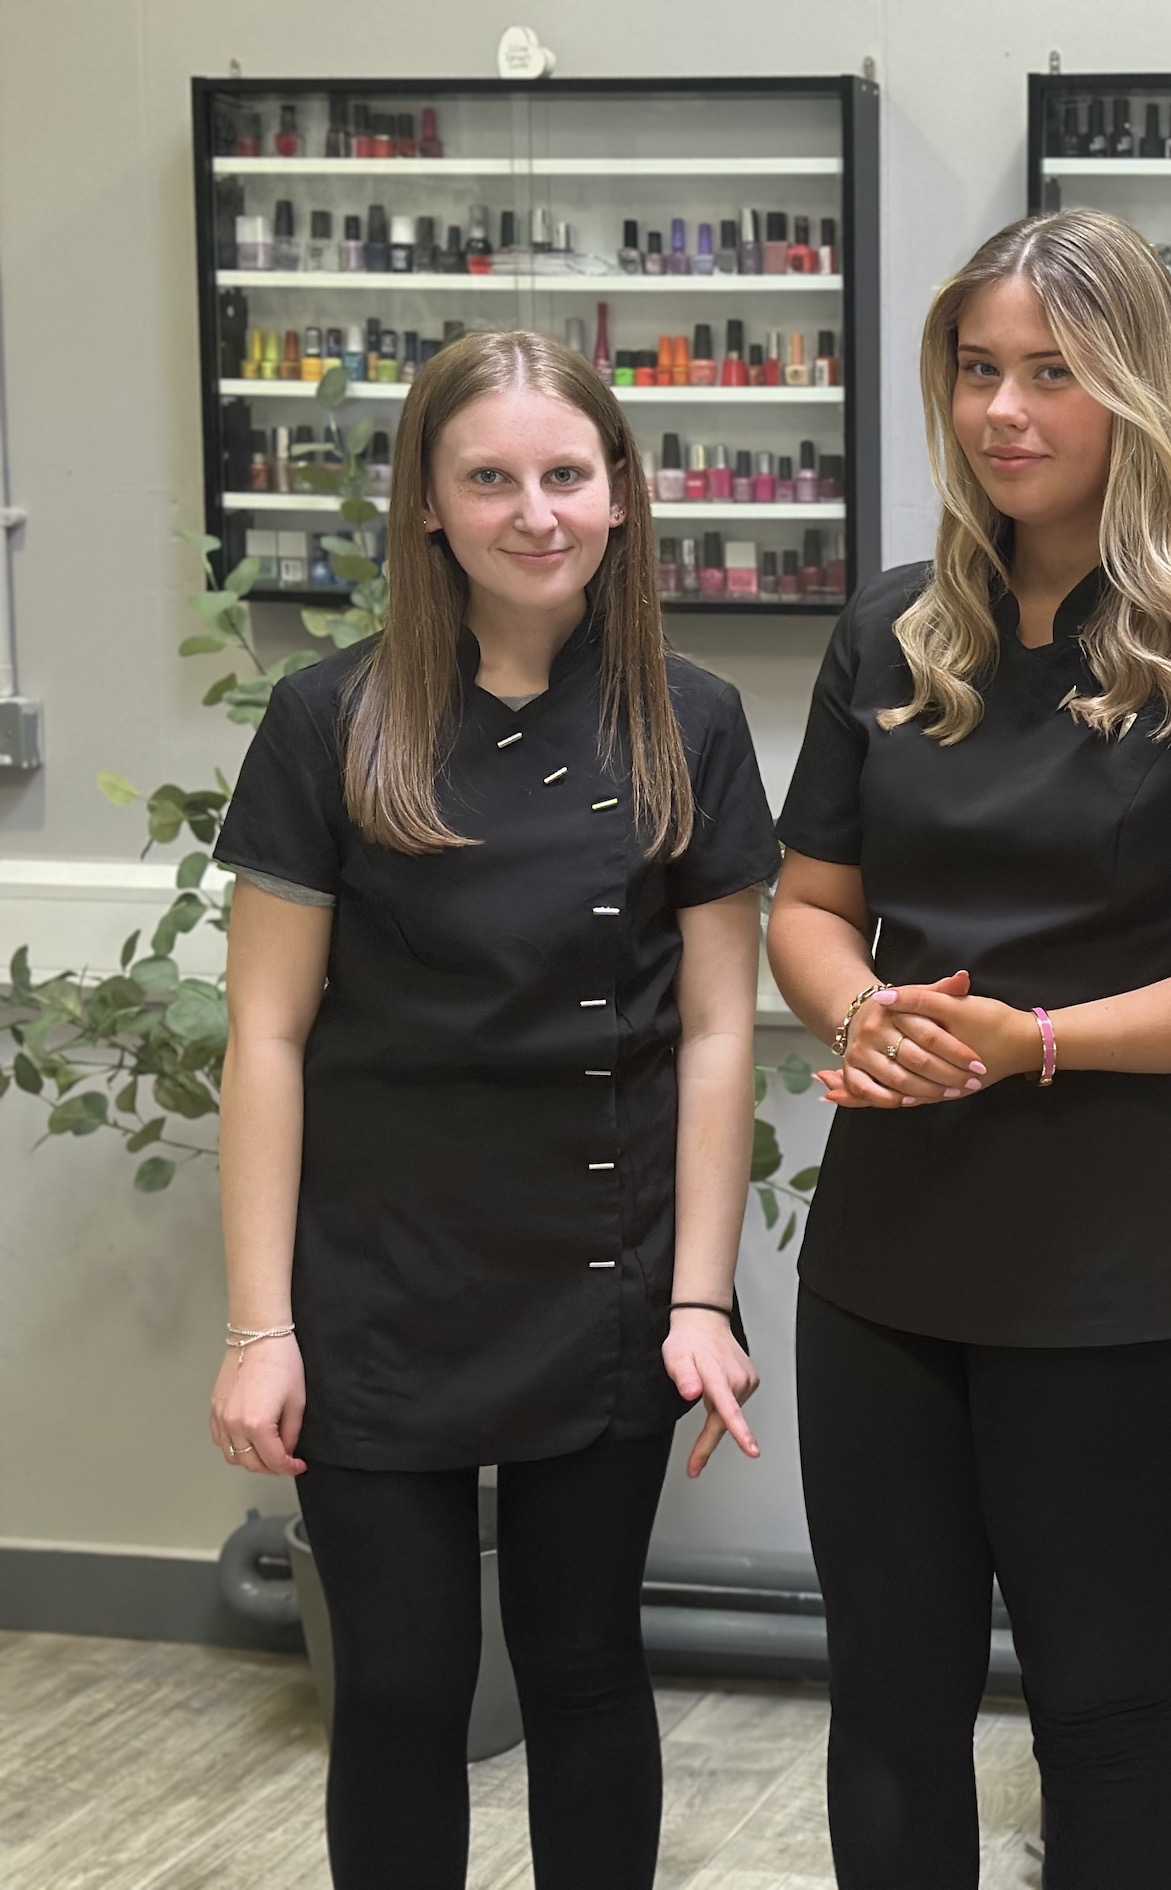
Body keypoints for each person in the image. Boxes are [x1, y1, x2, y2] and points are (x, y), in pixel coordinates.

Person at [767, 207, 1171, 1889]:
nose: (1003, 411)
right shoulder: (889, 636)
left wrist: (1034, 1038)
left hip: (1117, 1272)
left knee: (1096, 1705)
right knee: (886, 1695)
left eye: (1051, 375)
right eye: (977, 372)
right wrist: (859, 1009)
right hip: (888, 1259)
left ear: (1136, 397)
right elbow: (806, 905)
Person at [209, 329, 782, 1888]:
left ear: (620, 498)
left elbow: (721, 1029)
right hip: (379, 1284)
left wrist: (698, 1294)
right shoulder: (332, 720)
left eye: (566, 475)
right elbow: (263, 1035)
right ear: (429, 506)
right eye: (490, 478)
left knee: (588, 1667)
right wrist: (264, 1324)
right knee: (398, 1689)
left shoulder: (692, 721)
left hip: (601, 1277)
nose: (534, 510)